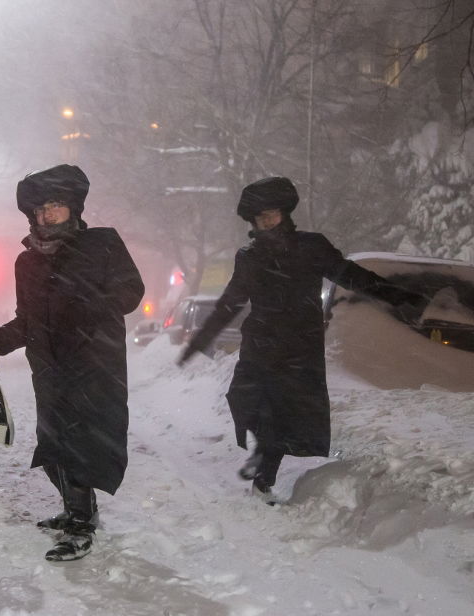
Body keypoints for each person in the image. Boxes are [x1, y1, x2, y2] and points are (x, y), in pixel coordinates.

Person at [178, 176, 423, 503]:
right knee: (246, 399)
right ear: (253, 222)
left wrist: (399, 296)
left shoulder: (311, 247)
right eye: (260, 218)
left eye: (272, 214)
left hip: (299, 347)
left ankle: (263, 479)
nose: (267, 222)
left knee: (283, 415)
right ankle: (263, 451)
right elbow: (230, 303)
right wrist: (200, 339)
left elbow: (351, 276)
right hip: (260, 344)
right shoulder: (249, 256)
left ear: (285, 213)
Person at [0, 165, 144, 562]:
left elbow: (131, 291)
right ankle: (77, 509)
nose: (48, 215)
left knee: (84, 445)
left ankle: (80, 524)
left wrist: (89, 306)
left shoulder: (102, 244)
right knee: (54, 446)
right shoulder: (27, 262)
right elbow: (27, 321)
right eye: (41, 209)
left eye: (56, 206)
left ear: (73, 208)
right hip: (49, 369)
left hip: (93, 364)